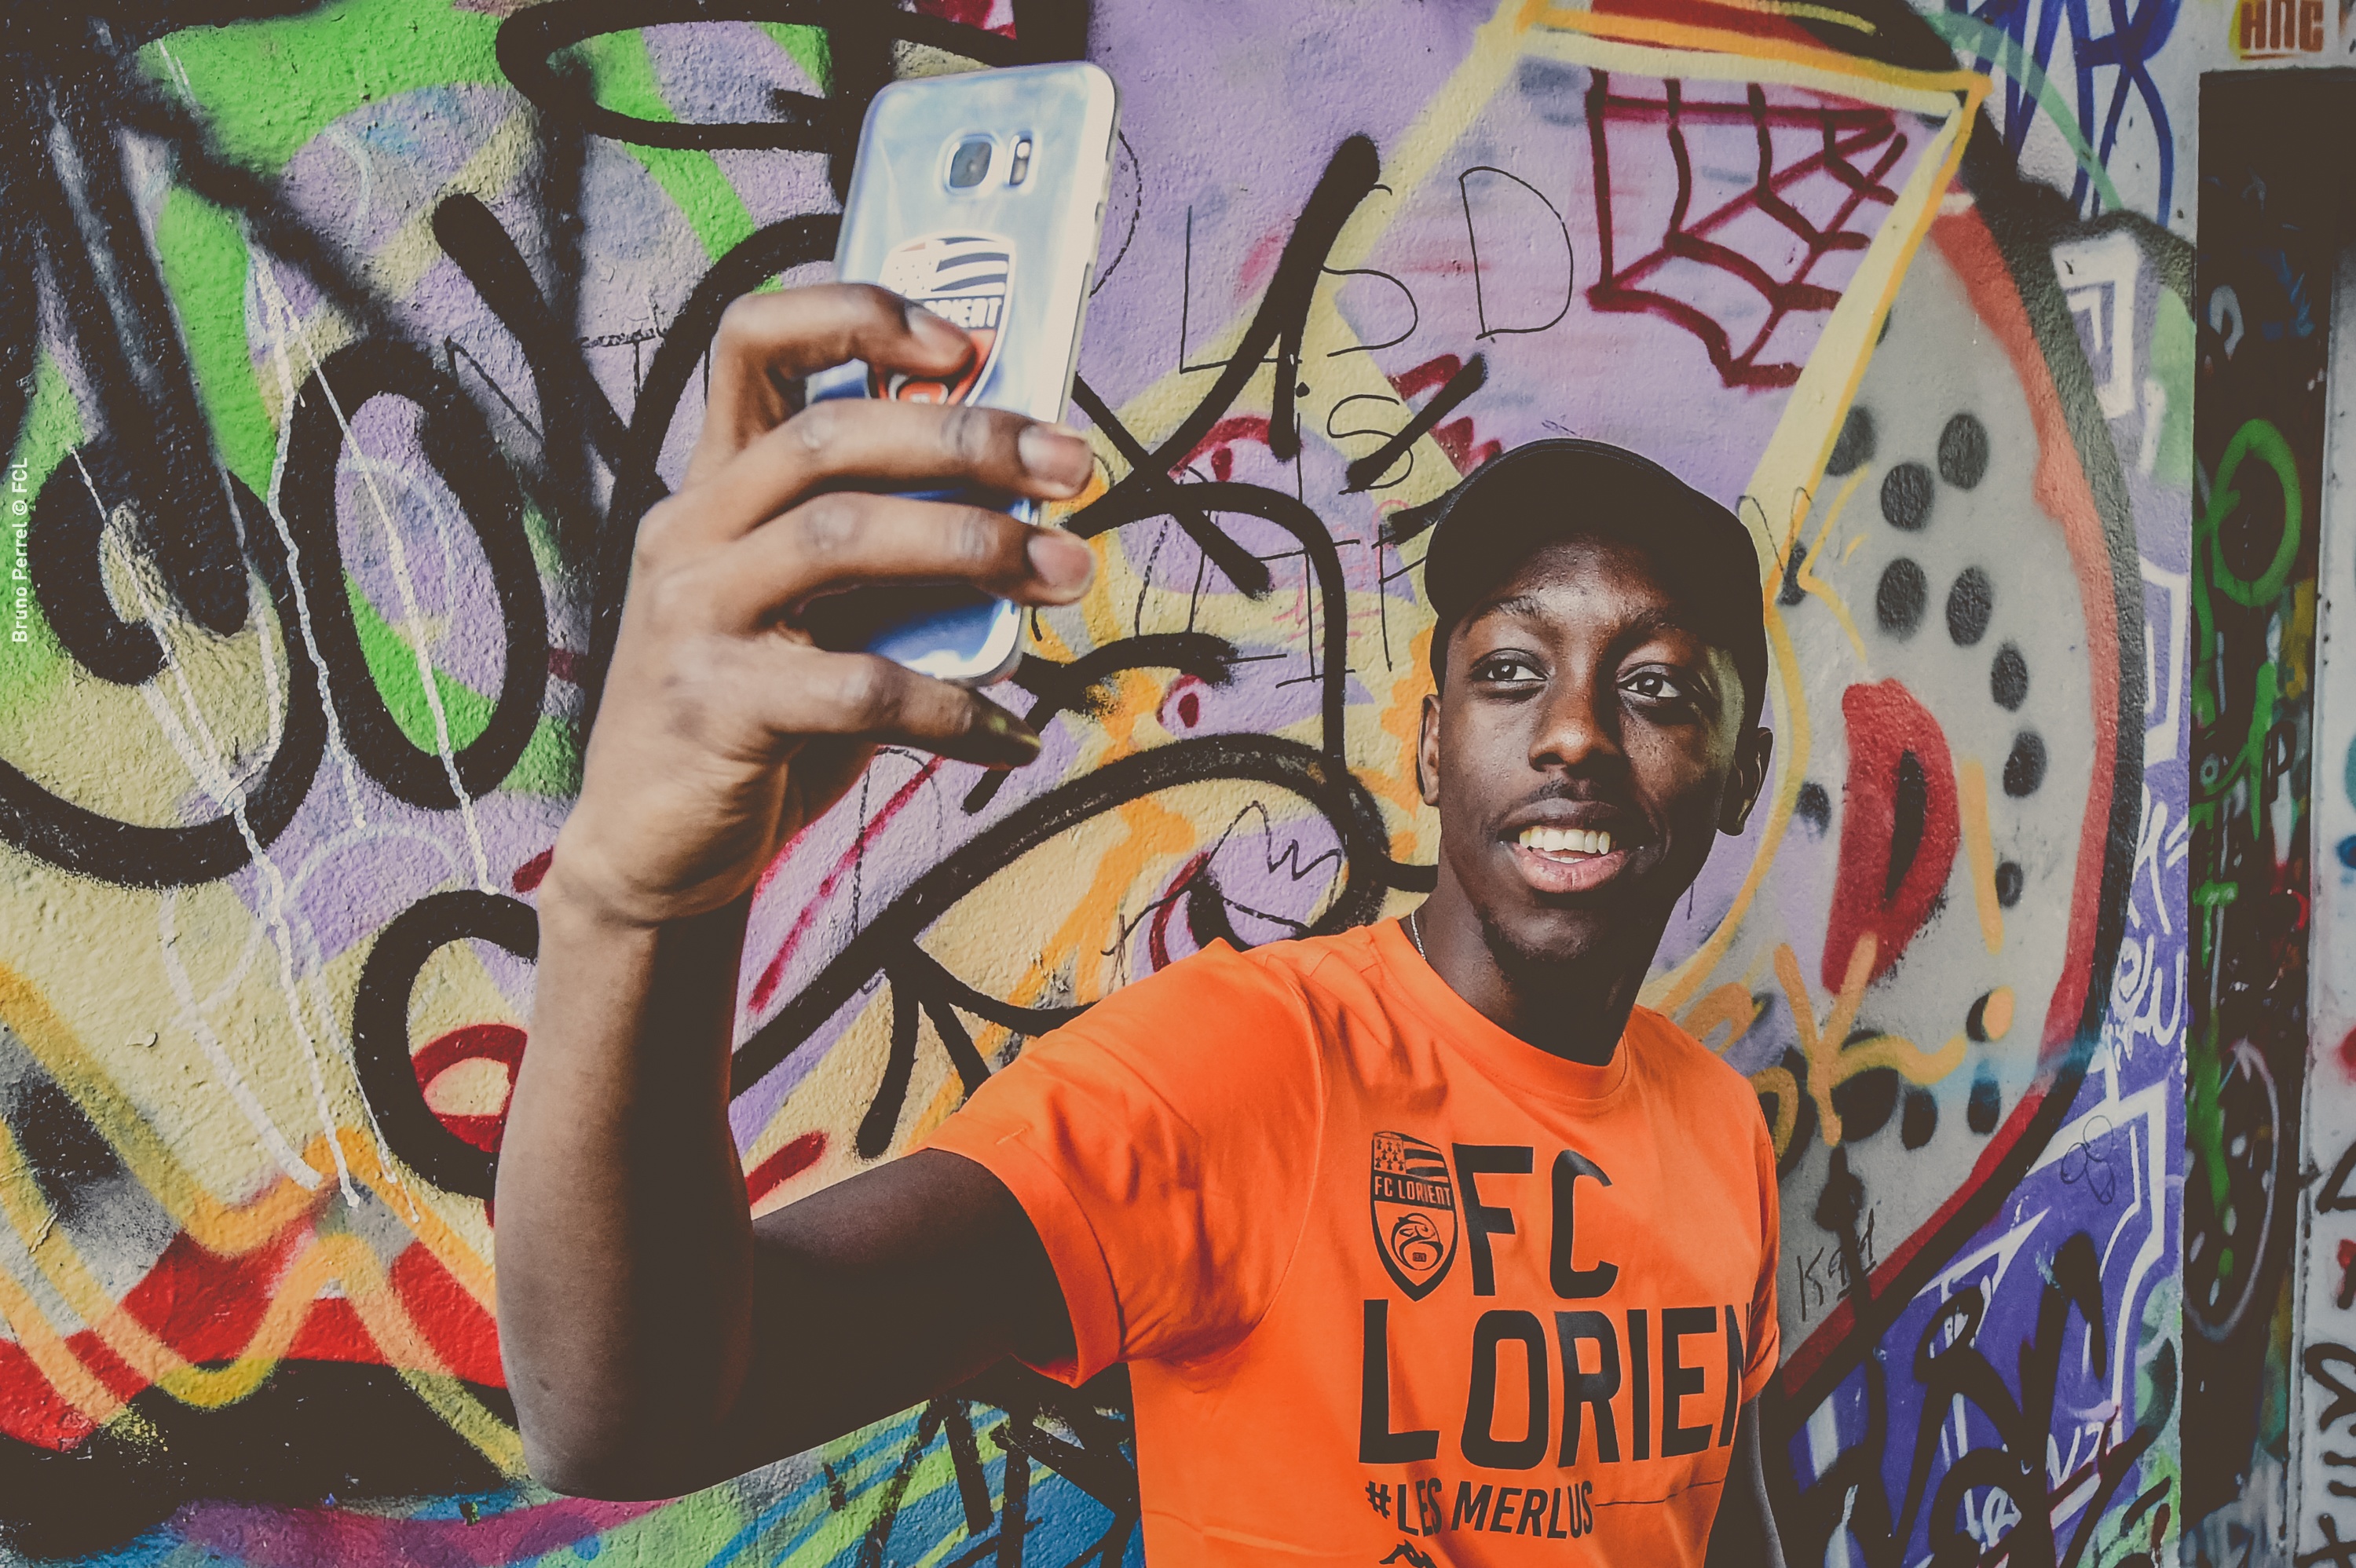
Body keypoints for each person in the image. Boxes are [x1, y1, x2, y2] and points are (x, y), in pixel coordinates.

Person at [496, 282, 1786, 1568]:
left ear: (1741, 776)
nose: (1573, 732)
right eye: (1509, 671)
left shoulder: (1723, 1128)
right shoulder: (1262, 1066)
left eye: (1657, 687)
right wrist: (638, 899)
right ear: (1434, 745)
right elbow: (634, 1412)